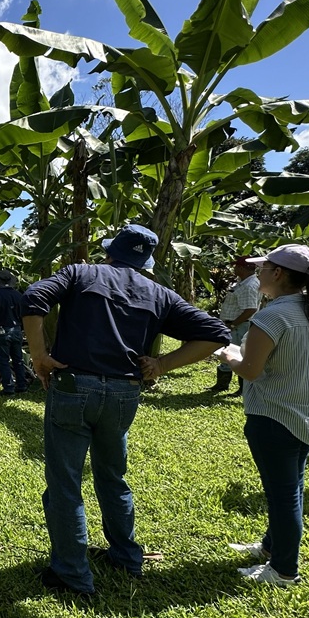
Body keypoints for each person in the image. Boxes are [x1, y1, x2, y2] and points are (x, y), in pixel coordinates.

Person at [23, 224, 230, 595]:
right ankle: (126, 557)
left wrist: (39, 356)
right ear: (145, 261)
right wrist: (163, 364)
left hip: (74, 387)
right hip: (124, 393)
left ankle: (72, 574)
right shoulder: (159, 293)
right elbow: (216, 333)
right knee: (112, 476)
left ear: (110, 252)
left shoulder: (80, 272)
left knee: (65, 483)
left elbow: (33, 299)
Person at [218, 244, 309, 587]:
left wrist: (228, 356)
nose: (258, 273)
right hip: (303, 414)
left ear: (278, 274)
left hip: (274, 416)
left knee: (282, 496)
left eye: (263, 268)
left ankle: (284, 570)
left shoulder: (272, 316)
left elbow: (251, 370)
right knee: (291, 489)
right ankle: (272, 546)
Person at [212, 256, 259, 394]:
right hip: (234, 324)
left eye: (236, 266)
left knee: (239, 355)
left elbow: (251, 309)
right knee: (226, 352)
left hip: (240, 326)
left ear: (243, 268)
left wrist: (233, 324)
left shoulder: (249, 286)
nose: (234, 268)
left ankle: (242, 389)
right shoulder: (243, 282)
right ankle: (222, 385)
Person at [0, 268, 28, 395]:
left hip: (3, 330)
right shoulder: (18, 295)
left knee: (3, 360)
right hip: (17, 330)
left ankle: (9, 387)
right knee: (18, 359)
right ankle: (22, 385)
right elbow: (25, 313)